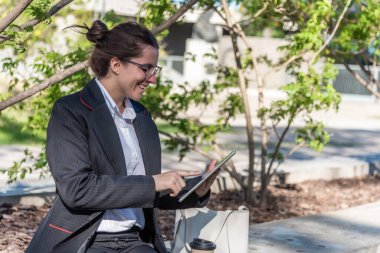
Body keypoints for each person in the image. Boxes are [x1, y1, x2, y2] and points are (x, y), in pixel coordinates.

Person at [26, 20, 218, 253]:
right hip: (86, 241)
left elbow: (145, 192)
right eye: (146, 68)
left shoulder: (141, 117)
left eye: (154, 70)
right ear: (116, 64)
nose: (152, 79)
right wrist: (155, 182)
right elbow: (77, 190)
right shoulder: (71, 111)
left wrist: (194, 191)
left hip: (134, 241)